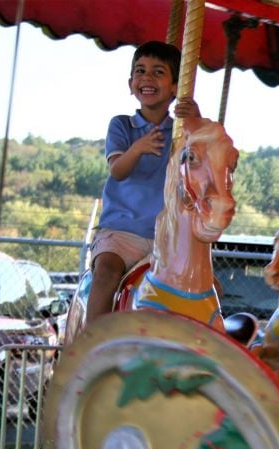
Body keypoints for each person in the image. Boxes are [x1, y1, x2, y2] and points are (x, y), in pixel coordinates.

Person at [86, 41, 202, 324]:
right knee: (107, 273)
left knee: (205, 289)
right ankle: (92, 343)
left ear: (175, 86)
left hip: (166, 237)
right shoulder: (122, 125)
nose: (147, 78)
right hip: (121, 232)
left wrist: (195, 121)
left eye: (158, 72)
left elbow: (202, 158)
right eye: (140, 71)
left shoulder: (180, 131)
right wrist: (137, 148)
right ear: (130, 83)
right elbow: (117, 170)